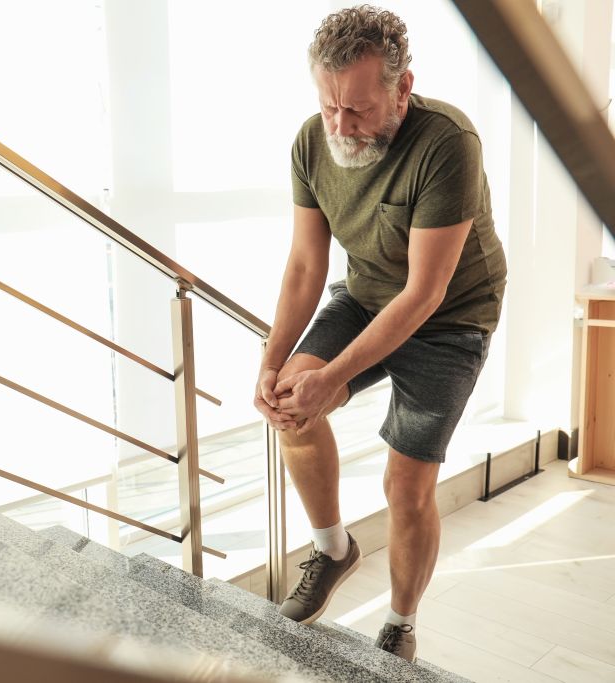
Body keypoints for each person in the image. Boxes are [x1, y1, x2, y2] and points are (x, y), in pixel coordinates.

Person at [253, 4, 506, 662]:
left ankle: (399, 620)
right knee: (289, 406)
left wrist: (332, 379)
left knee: (405, 482)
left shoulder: (449, 140)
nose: (342, 125)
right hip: (367, 295)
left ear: (402, 86)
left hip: (451, 316)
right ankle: (334, 549)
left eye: (358, 110)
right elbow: (307, 263)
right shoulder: (313, 141)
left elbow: (425, 292)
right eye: (329, 105)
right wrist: (273, 361)